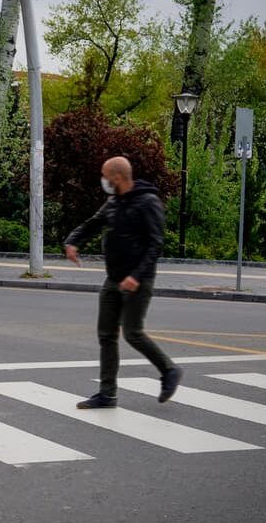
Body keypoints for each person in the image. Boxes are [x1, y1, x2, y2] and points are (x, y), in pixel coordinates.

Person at [63, 156, 181, 409]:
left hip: (138, 280)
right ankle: (107, 394)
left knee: (132, 333)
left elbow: (156, 244)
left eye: (105, 175)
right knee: (106, 335)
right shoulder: (113, 202)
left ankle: (169, 370)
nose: (103, 180)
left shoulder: (148, 202)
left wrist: (136, 276)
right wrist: (73, 241)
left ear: (118, 177)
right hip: (113, 278)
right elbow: (92, 224)